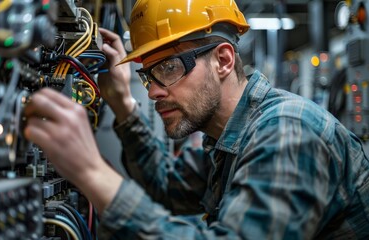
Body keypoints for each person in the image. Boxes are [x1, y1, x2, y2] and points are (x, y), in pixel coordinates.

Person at [24, 0, 369, 239]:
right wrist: (123, 105)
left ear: (223, 60)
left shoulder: (288, 130)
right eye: (149, 76)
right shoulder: (226, 138)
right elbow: (166, 186)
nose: (154, 92)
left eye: (169, 68)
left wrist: (91, 173)